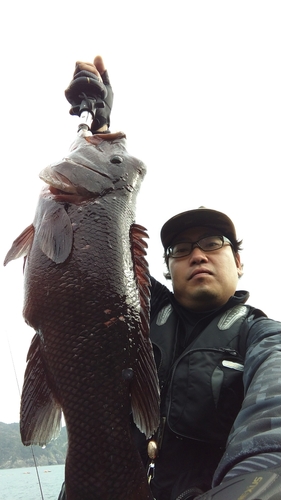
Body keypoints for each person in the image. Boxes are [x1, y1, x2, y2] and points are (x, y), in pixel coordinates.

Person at [58, 57, 281, 500]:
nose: (197, 254)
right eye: (181, 249)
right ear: (165, 268)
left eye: (213, 243)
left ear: (240, 262)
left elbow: (271, 431)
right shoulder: (135, 307)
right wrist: (98, 124)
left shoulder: (263, 339)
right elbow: (100, 238)